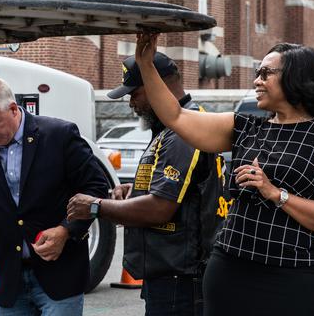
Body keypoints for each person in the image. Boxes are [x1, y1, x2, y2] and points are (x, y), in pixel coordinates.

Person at [132, 33, 314, 316]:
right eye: (257, 73)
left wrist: (275, 193)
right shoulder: (246, 127)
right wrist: (146, 64)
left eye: (265, 73)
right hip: (231, 269)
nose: (256, 81)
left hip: (296, 277)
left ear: (295, 78)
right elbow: (176, 116)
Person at [66, 53, 226, 316]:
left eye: (135, 94)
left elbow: (160, 208)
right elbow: (181, 192)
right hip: (170, 274)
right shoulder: (172, 129)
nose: (131, 104)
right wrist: (136, 192)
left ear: (157, 85)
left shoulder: (184, 132)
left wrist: (96, 207)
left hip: (181, 280)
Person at [0, 77, 110, 315]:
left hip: (60, 274)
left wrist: (66, 230)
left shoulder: (60, 135)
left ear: (13, 109)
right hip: (8, 279)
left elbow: (96, 188)